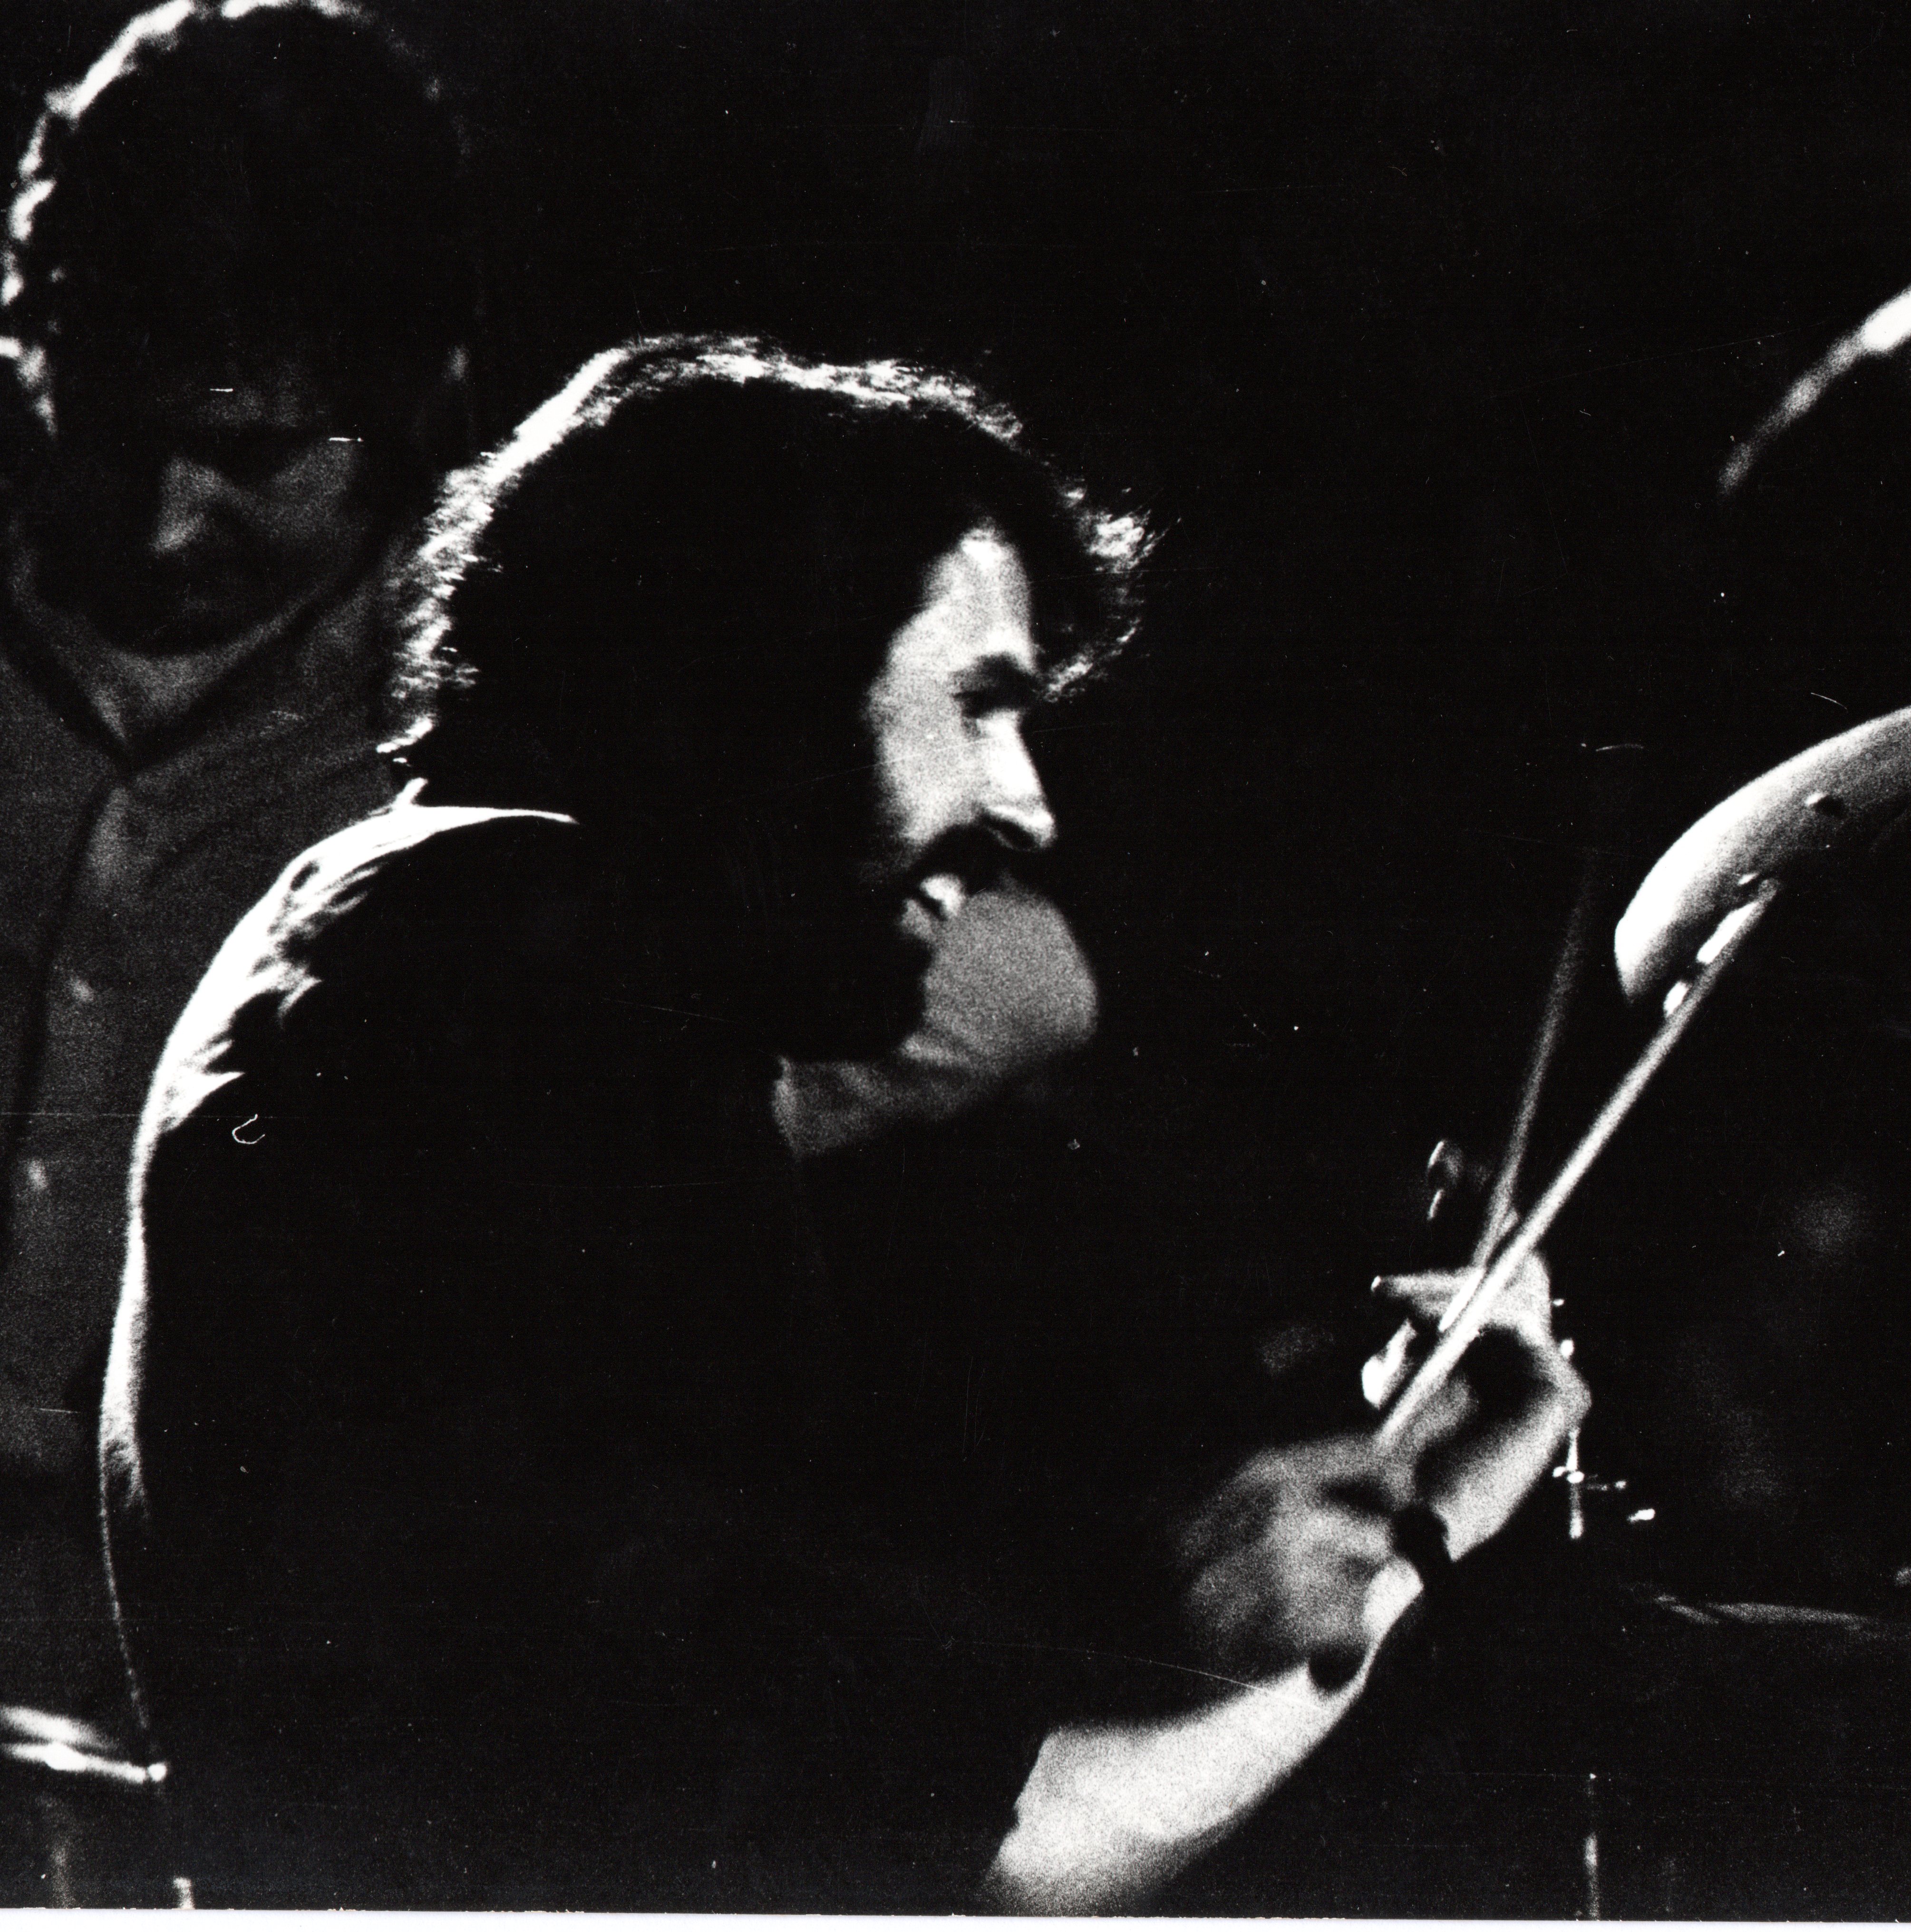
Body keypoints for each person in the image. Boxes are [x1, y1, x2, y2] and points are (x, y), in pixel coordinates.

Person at [102, 335, 1586, 1907]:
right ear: (765, 684)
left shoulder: (447, 944)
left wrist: (1364, 1524)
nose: (1027, 805)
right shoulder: (513, 973)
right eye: (978, 704)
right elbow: (990, 1854)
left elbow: (788, 1744)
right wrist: (1382, 1541)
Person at [0, 0, 474, 1743]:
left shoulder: (525, 690)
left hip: (214, 1669)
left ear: (417, 399)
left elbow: (1018, 982)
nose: (162, 520)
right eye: (113, 429)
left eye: (257, 452)